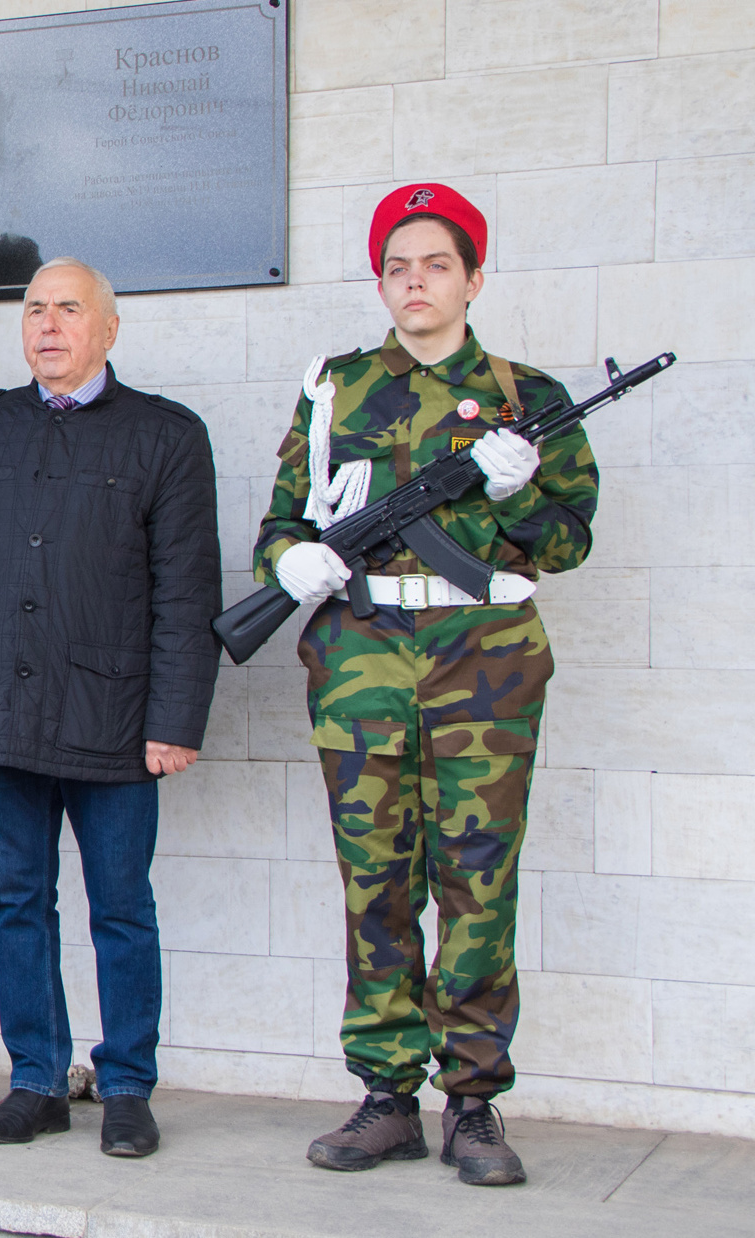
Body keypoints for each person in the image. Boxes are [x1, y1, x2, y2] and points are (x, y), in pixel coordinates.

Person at [258, 185, 596, 1187]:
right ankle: (385, 1092)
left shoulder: (525, 397)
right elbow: (282, 518)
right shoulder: (334, 387)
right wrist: (292, 566)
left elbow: (569, 540)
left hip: (482, 648)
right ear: (381, 281)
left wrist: (515, 485)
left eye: (435, 264)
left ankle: (476, 1101)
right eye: (398, 266)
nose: (415, 281)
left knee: (477, 872)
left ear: (472, 278)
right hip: (361, 648)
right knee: (376, 874)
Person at [0, 258, 219, 1157]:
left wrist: (176, 720)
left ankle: (126, 1083)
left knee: (121, 906)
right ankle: (34, 1081)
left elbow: (186, 591)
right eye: (35, 309)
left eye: (69, 310)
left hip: (114, 717)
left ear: (109, 330)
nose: (48, 324)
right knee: (17, 899)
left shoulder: (166, 436)